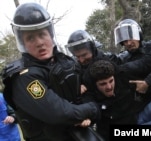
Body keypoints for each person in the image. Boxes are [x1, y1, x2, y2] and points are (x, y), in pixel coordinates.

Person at [1, 2, 100, 141]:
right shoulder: (23, 76)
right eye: (30, 38)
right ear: (22, 43)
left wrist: (89, 112)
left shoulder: (67, 62)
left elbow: (89, 91)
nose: (39, 42)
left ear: (51, 34)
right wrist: (93, 108)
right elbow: (58, 113)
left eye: (42, 34)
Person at [81, 59, 145, 141]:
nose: (109, 87)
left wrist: (147, 83)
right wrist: (87, 117)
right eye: (103, 84)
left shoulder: (123, 79)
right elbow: (90, 110)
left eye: (111, 81)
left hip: (136, 118)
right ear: (95, 85)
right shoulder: (90, 98)